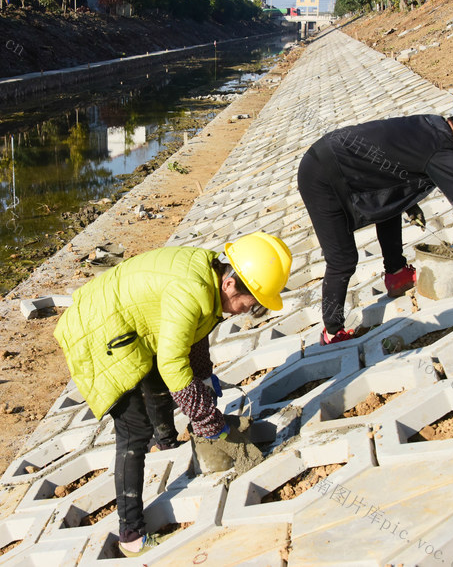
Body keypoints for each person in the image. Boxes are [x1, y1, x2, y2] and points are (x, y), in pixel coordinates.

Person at [53, 232, 292, 557]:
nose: (244, 312)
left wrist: (205, 377)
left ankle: (164, 441)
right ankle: (131, 535)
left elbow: (194, 334)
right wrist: (209, 421)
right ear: (231, 285)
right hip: (96, 331)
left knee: (159, 378)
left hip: (129, 323)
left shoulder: (209, 275)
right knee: (133, 430)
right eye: (248, 304)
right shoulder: (192, 289)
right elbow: (173, 363)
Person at [297, 91, 453, 345]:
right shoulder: (440, 148)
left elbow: (396, 165)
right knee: (342, 259)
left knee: (390, 208)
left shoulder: (432, 126)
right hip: (322, 174)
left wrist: (409, 204)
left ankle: (396, 274)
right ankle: (331, 331)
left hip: (337, 161)